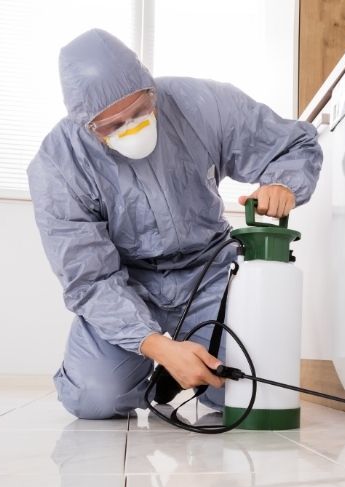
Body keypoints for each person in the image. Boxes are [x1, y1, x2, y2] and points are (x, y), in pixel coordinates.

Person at [27, 29, 322, 420]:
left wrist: (283, 183)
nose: (132, 128)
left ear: (152, 90)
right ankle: (159, 367)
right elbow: (89, 279)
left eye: (140, 111)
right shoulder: (58, 166)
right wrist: (158, 347)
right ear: (86, 126)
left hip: (209, 272)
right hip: (127, 283)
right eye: (112, 126)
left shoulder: (203, 104)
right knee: (94, 398)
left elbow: (292, 144)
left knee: (238, 392)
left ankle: (184, 363)